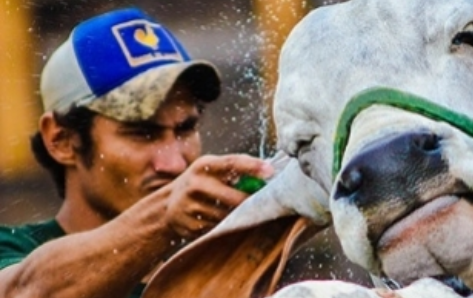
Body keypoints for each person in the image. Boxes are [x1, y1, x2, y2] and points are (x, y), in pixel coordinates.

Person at [0, 8, 273, 298]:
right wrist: (166, 214)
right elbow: (25, 291)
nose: (175, 162)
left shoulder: (218, 271)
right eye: (143, 133)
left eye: (186, 128)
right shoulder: (12, 251)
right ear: (62, 140)